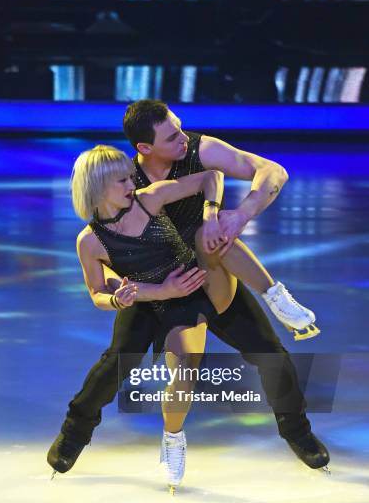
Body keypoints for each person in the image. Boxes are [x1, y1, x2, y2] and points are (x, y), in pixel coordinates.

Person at [47, 99, 329, 481]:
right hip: (154, 288)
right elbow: (107, 261)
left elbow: (270, 171)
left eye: (181, 128)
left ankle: (298, 431)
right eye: (171, 135)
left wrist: (229, 214)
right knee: (119, 362)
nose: (184, 138)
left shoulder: (198, 152)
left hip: (208, 271)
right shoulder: (125, 183)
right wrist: (130, 291)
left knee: (270, 353)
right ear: (143, 149)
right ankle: (74, 434)